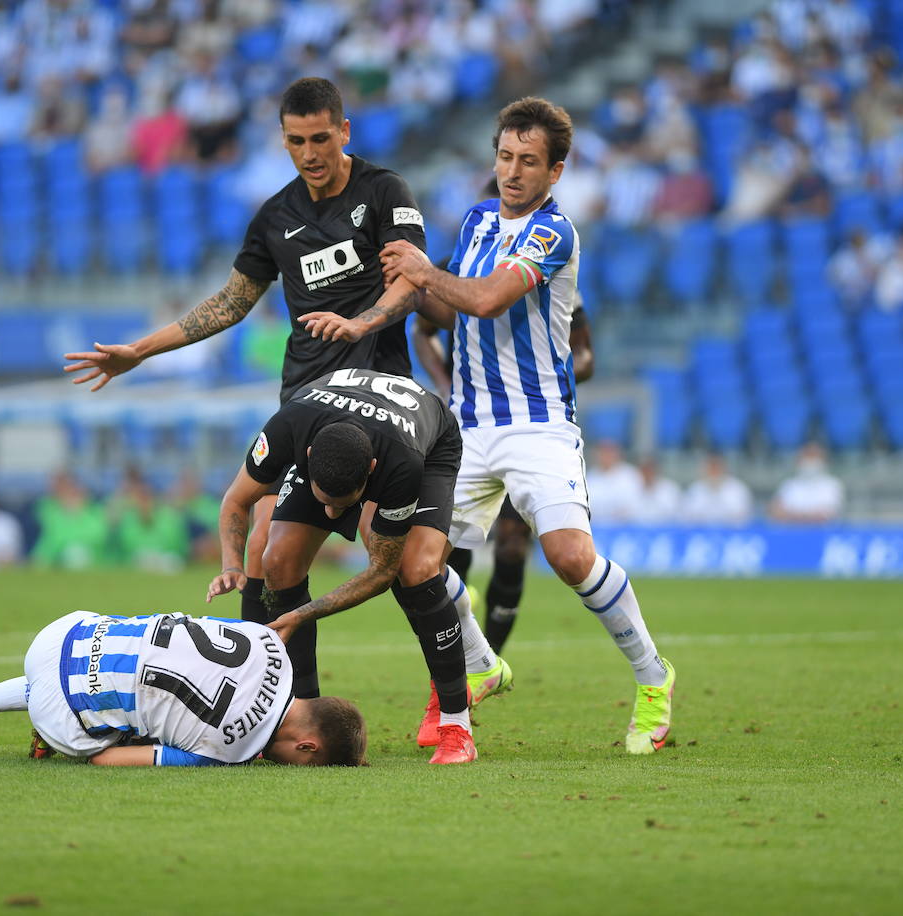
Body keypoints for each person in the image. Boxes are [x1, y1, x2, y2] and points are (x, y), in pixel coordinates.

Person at [299, 97, 676, 755]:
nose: (513, 171)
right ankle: (479, 663)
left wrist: (425, 273)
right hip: (467, 428)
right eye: (505, 156)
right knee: (407, 559)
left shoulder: (553, 233)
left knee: (569, 557)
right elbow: (438, 304)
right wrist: (369, 318)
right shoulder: (476, 222)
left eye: (529, 161)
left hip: (538, 423)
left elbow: (489, 297)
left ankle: (653, 679)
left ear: (556, 171)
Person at [64, 77, 430, 705]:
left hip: (377, 394)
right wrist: (140, 352)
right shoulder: (277, 218)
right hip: (306, 405)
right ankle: (288, 707)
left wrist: (361, 321)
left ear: (344, 132)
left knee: (392, 552)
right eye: (296, 141)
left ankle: (462, 670)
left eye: (321, 138)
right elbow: (231, 302)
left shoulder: (383, 191)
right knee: (267, 545)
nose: (310, 152)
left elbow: (413, 280)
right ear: (283, 141)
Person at [205, 369, 487, 765]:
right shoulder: (289, 427)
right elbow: (236, 500)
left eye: (344, 503)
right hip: (330, 412)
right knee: (277, 559)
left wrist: (301, 614)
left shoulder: (398, 464)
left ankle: (456, 726)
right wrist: (232, 564)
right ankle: (303, 711)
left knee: (416, 570)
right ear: (306, 460)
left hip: (426, 436)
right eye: (325, 500)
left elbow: (380, 572)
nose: (332, 512)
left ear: (370, 472)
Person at [411, 265, 596, 654]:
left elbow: (584, 354)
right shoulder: (454, 265)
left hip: (527, 428)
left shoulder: (549, 271)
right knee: (446, 543)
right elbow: (422, 330)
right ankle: (464, 655)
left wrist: (550, 378)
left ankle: (491, 654)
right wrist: (446, 386)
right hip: (469, 424)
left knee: (512, 545)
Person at [0, 610, 366, 768]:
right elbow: (109, 761)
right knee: (122, 726)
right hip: (61, 713)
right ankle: (50, 732)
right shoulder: (232, 751)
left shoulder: (269, 642)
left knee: (142, 657)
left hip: (65, 632)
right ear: (306, 746)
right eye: (300, 763)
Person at [771, 441, 845, 522]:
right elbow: (776, 512)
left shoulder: (832, 485)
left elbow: (828, 515)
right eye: (807, 456)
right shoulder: (789, 485)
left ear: (823, 460)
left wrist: (793, 516)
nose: (810, 462)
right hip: (791, 533)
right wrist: (808, 516)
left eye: (814, 457)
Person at [680, 452, 754, 525]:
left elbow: (743, 516)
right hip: (702, 531)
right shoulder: (696, 489)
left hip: (731, 532)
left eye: (716, 467)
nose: (714, 471)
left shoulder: (738, 488)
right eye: (710, 468)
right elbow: (688, 516)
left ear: (724, 468)